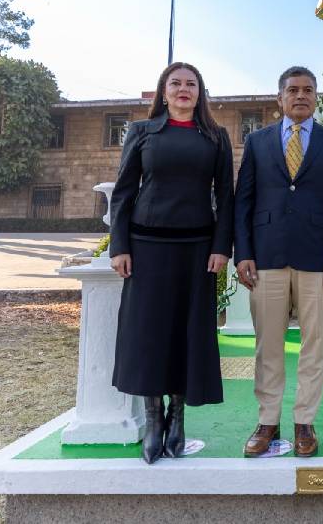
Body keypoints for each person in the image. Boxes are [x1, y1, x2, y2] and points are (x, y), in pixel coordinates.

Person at [108, 62, 235, 464]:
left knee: (186, 333)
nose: (183, 89)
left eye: (191, 84)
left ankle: (178, 416)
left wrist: (221, 247)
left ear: (200, 93)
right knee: (148, 334)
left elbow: (226, 198)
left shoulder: (215, 136)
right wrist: (119, 246)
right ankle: (153, 418)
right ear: (163, 92)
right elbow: (124, 192)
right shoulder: (141, 132)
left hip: (197, 251)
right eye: (176, 83)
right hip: (146, 249)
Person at [234, 66, 323, 458]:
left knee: (314, 344)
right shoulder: (257, 142)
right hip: (267, 257)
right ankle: (267, 421)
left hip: (318, 260)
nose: (300, 95)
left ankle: (305, 421)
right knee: (267, 344)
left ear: (316, 97)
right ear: (280, 98)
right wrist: (244, 252)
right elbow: (244, 202)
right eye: (292, 90)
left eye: (308, 90)